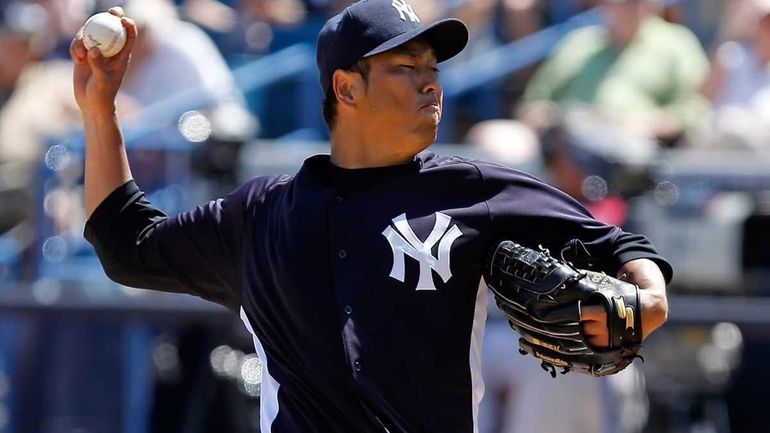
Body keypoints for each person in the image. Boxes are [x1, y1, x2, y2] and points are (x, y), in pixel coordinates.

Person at [70, 1, 671, 432]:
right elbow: (127, 243)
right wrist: (100, 112)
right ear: (346, 88)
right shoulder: (261, 214)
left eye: (433, 70)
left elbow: (618, 245)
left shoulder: (473, 189)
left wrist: (647, 300)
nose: (429, 85)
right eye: (405, 69)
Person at [519, 0, 710, 145]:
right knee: (502, 141)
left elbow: (694, 111)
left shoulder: (676, 43)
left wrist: (640, 124)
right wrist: (565, 119)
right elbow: (533, 104)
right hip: (566, 148)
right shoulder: (578, 43)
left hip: (640, 149)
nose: (624, 7)